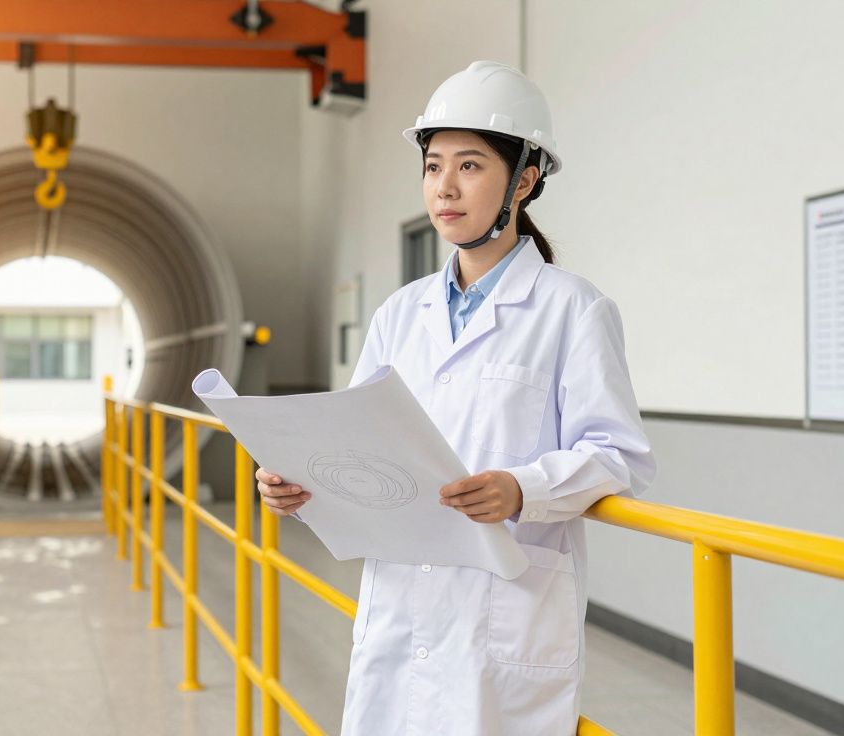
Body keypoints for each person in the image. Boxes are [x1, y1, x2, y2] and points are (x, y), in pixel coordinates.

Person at [254, 60, 656, 734]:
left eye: (470, 166)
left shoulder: (573, 310)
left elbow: (619, 455)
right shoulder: (399, 314)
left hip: (505, 607)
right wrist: (297, 487)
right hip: (401, 601)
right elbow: (354, 445)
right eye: (434, 165)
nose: (444, 187)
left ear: (523, 181)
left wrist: (522, 488)